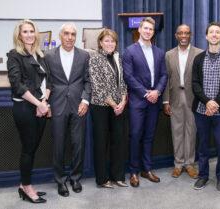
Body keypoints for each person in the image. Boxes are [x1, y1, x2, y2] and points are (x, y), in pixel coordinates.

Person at [45, 23, 91, 197]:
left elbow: (88, 81)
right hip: (57, 105)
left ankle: (76, 178)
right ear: (60, 36)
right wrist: (47, 103)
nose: (70, 37)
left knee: (78, 144)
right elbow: (46, 82)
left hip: (78, 105)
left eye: (73, 34)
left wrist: (85, 101)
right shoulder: (48, 55)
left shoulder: (84, 55)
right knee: (58, 145)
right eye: (67, 34)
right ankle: (60, 180)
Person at [7, 19, 50, 203]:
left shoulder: (39, 55)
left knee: (32, 148)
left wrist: (45, 101)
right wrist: (38, 104)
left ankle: (23, 185)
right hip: (25, 108)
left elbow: (49, 81)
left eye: (32, 31)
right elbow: (17, 85)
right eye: (25, 31)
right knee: (27, 149)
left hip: (40, 106)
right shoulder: (14, 55)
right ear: (19, 35)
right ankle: (27, 186)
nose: (29, 34)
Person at [122, 17, 168, 187]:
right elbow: (128, 76)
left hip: (154, 101)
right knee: (135, 136)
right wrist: (145, 93)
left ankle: (146, 169)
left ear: (153, 32)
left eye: (151, 29)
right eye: (145, 28)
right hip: (137, 101)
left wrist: (157, 91)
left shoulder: (159, 52)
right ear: (139, 30)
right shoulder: (129, 51)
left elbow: (164, 75)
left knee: (149, 136)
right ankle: (134, 171)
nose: (148, 31)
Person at [192, 22, 220, 193]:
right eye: (211, 32)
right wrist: (207, 102)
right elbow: (195, 84)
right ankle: (203, 176)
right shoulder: (198, 58)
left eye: (218, 32)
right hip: (202, 111)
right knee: (203, 145)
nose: (215, 35)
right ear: (206, 36)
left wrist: (215, 102)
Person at [89, 29, 128, 188]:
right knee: (101, 142)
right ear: (100, 43)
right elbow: (97, 85)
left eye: (112, 41)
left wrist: (124, 101)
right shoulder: (95, 59)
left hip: (119, 106)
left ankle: (118, 176)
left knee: (118, 141)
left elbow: (123, 81)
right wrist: (113, 104)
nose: (110, 44)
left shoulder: (118, 58)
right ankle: (103, 179)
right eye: (106, 41)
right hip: (101, 106)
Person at [163, 24, 203, 179]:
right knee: (177, 131)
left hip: (193, 97)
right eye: (181, 33)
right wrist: (165, 101)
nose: (184, 35)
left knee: (191, 131)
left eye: (187, 33)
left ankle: (190, 164)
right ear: (176, 35)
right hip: (175, 97)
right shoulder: (169, 55)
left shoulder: (199, 53)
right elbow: (165, 79)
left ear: (191, 35)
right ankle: (178, 164)